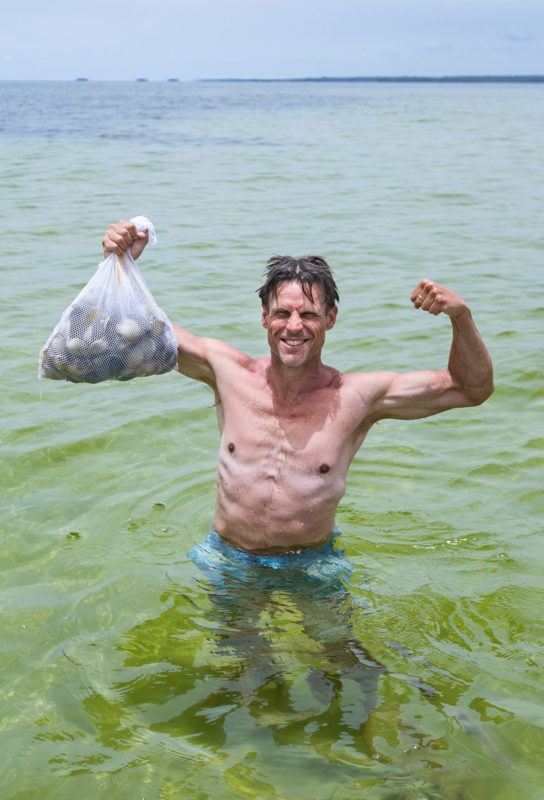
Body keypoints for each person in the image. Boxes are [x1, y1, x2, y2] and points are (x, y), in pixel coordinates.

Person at [102, 221, 494, 555]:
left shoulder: (357, 398)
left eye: (308, 314)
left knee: (341, 648)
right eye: (282, 313)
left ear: (331, 318)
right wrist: (121, 262)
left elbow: (469, 388)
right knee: (239, 647)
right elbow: (132, 329)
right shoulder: (227, 372)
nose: (294, 326)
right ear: (263, 318)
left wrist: (461, 316)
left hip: (311, 564)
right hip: (230, 557)